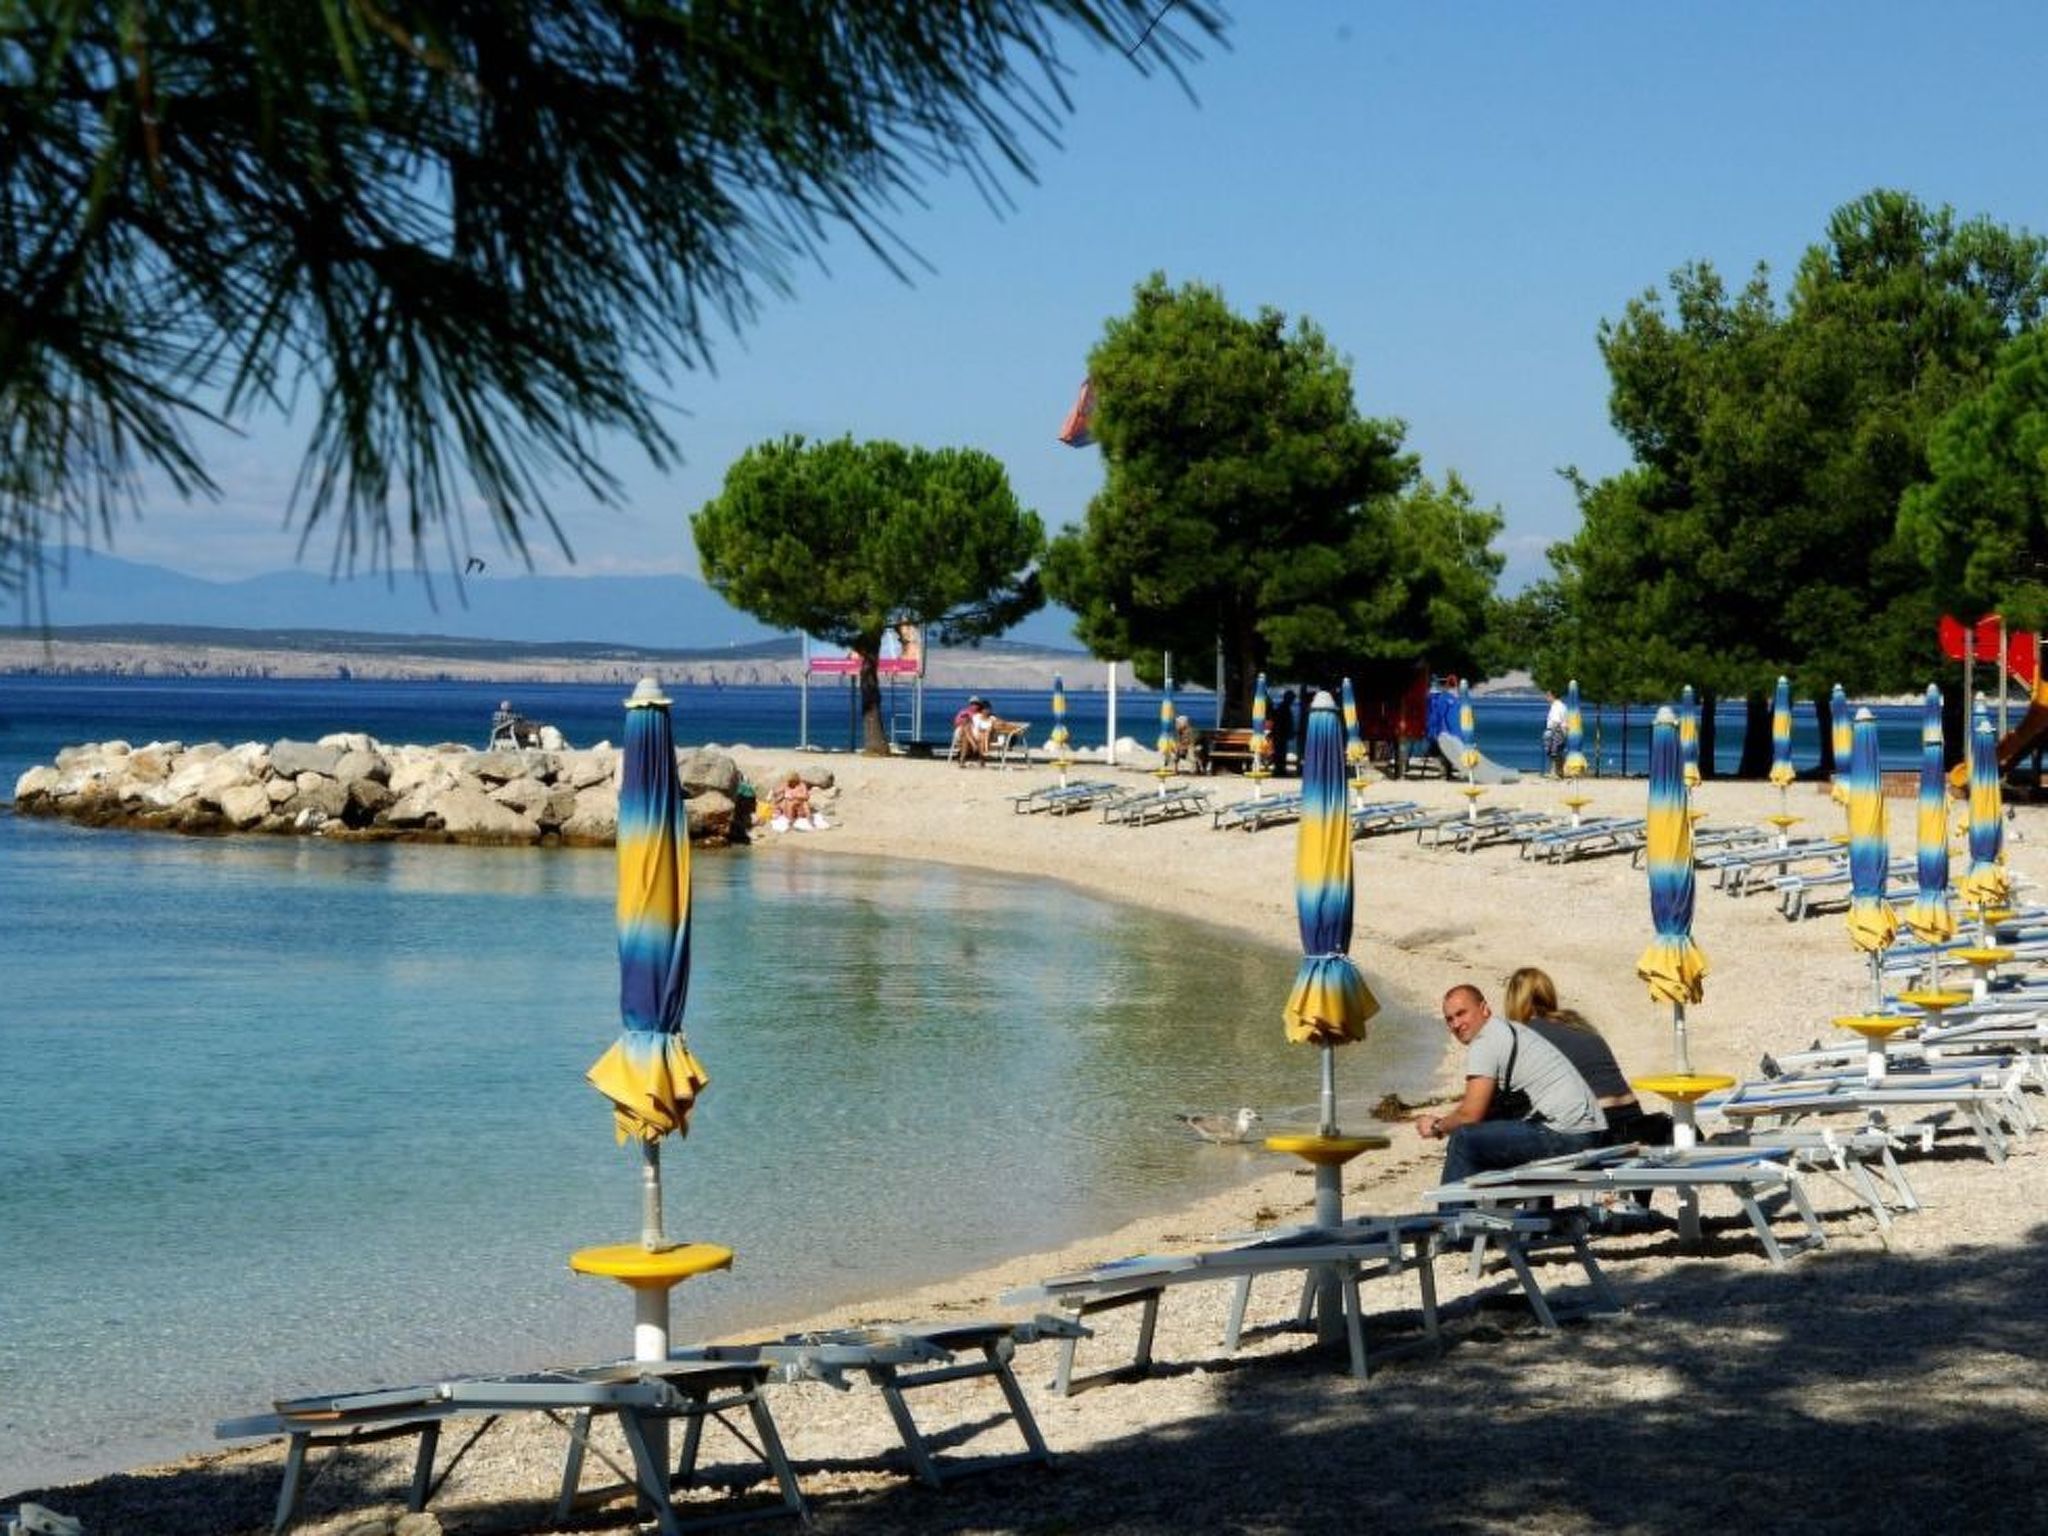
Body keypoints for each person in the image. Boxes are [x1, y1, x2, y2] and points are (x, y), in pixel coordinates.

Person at [1413, 983, 1606, 1188]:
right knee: (1483, 1135)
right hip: (1590, 1130)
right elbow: (1485, 1109)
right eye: (1449, 1019)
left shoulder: (1485, 1041)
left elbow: (1470, 1115)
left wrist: (1436, 1126)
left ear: (1484, 1008)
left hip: (1568, 1134)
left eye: (1461, 1013)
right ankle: (1478, 1212)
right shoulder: (1507, 1029)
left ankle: (1449, 1217)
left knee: (1463, 1140)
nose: (1456, 1024)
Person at [1502, 967, 1670, 1145]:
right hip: (1633, 1116)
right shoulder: (1577, 1024)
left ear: (1513, 1000)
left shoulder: (1525, 1036)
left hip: (1598, 1126)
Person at [951, 697, 989, 766]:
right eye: (973, 704)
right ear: (970, 704)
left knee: (966, 737)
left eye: (976, 704)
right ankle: (974, 746)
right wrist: (967, 720)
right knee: (966, 725)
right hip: (961, 731)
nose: (974, 706)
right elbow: (956, 723)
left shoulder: (980, 714)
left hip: (972, 734)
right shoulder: (964, 712)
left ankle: (962, 760)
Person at [1542, 691, 1568, 778]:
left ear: (1551, 696)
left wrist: (1550, 732)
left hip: (1556, 731)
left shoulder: (1556, 707)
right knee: (1558, 752)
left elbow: (1556, 721)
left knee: (1553, 752)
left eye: (1547, 696)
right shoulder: (1563, 706)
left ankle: (1555, 772)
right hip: (1562, 732)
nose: (1546, 698)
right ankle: (1559, 772)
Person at [1271, 689, 1296, 776]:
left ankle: (1280, 770)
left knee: (1280, 753)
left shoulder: (1282, 707)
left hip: (1279, 734)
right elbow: (1283, 722)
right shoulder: (1284, 708)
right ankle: (1279, 770)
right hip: (1280, 734)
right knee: (1280, 753)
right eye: (1292, 699)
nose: (1293, 701)